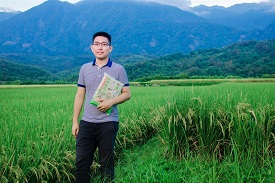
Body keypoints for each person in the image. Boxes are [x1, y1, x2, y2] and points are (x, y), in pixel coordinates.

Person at [72, 31, 131, 183]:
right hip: (86, 123)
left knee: (106, 164)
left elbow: (126, 94)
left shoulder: (118, 69)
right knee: (82, 163)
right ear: (92, 47)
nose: (100, 47)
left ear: (110, 48)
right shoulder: (85, 68)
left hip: (108, 123)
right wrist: (75, 121)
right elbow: (80, 95)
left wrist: (110, 102)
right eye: (97, 44)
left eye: (104, 44)